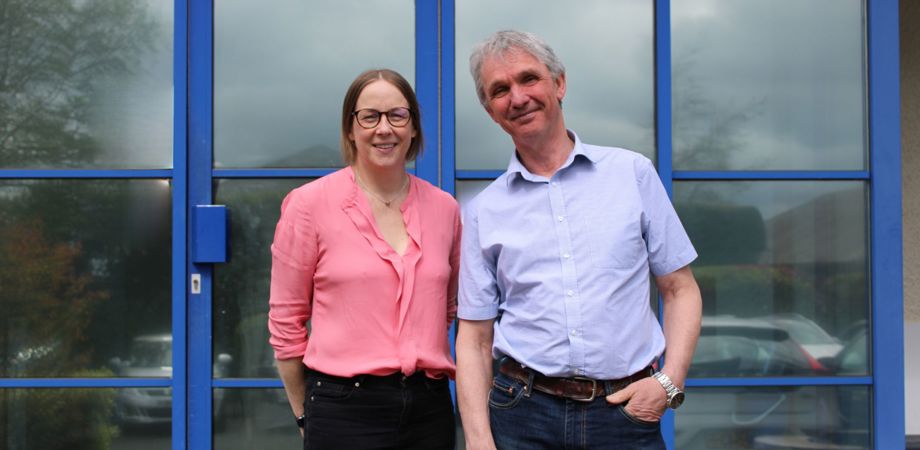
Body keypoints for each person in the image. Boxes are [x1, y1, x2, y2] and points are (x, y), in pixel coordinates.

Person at [456, 30, 703, 449]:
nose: (517, 97)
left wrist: (668, 382)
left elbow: (681, 290)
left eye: (528, 79)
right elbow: (475, 339)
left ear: (559, 83)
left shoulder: (632, 174)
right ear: (490, 111)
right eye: (500, 90)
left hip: (624, 414)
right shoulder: (483, 210)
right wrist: (480, 441)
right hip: (522, 415)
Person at [268, 68, 459, 449]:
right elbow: (286, 323)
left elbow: (448, 308)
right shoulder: (309, 205)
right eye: (369, 116)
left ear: (414, 128)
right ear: (350, 129)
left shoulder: (445, 209)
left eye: (397, 115)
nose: (384, 129)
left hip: (429, 408)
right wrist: (304, 413)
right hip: (343, 409)